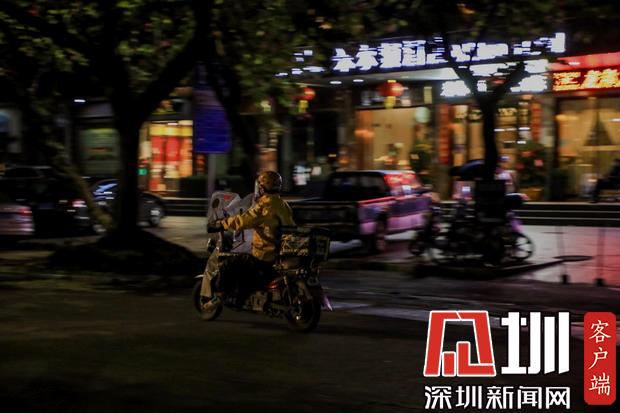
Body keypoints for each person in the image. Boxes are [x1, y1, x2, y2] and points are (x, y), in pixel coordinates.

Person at [203, 171, 295, 310]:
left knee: (228, 264)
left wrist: (221, 223)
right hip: (278, 253)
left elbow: (242, 221)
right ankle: (242, 296)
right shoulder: (283, 205)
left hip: (264, 255)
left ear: (262, 188)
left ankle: (219, 297)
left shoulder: (264, 206)